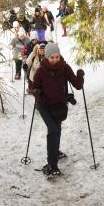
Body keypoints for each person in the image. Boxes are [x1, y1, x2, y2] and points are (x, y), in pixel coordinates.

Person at [30, 43, 85, 176]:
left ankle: (56, 151)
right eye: (52, 57)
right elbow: (33, 87)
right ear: (47, 57)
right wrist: (35, 91)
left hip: (59, 106)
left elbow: (77, 85)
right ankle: (51, 165)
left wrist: (80, 76)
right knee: (53, 130)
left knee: (57, 130)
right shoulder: (41, 70)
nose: (55, 60)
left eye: (57, 57)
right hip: (44, 105)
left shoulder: (64, 67)